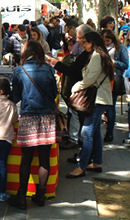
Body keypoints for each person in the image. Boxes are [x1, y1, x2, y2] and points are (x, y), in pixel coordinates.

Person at [9, 40, 58, 210]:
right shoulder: (49, 69)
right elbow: (54, 94)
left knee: (26, 158)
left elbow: (15, 97)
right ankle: (41, 195)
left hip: (28, 116)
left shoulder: (19, 70)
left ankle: (22, 196)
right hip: (47, 116)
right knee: (44, 157)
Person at [66, 31, 114, 178]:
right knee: (95, 132)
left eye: (84, 41)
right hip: (100, 98)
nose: (81, 43)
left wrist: (75, 88)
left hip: (97, 99)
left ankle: (81, 167)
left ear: (91, 42)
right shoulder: (98, 55)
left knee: (86, 132)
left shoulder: (97, 56)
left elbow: (89, 80)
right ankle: (97, 162)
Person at [48, 24, 95, 153]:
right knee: (79, 118)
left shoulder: (90, 55)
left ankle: (79, 146)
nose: (78, 41)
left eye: (79, 38)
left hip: (81, 91)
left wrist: (56, 63)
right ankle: (82, 148)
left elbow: (77, 73)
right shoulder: (82, 53)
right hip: (76, 89)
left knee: (81, 120)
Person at [100, 29, 129, 142]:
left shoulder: (120, 48)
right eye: (104, 41)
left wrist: (113, 62)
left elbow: (125, 64)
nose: (106, 43)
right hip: (102, 78)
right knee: (103, 106)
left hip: (114, 78)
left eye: (107, 40)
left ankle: (110, 132)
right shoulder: (100, 48)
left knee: (111, 106)